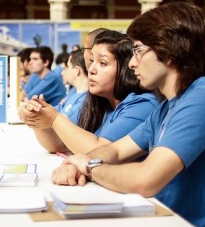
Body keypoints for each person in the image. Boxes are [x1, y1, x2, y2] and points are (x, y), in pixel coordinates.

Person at [51, 2, 205, 227]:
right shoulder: (167, 105)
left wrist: (89, 167)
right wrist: (79, 161)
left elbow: (145, 179)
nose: (131, 63)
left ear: (168, 52)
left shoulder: (202, 98)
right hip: (155, 226)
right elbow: (117, 150)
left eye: (138, 50)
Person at [20, 30, 159, 155]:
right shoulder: (101, 103)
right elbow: (59, 145)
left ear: (125, 69)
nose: (91, 69)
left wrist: (54, 119)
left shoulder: (143, 104)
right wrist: (37, 118)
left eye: (102, 63)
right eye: (92, 61)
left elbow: (100, 152)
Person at [54, 49, 88, 124]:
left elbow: (61, 124)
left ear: (77, 70)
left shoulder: (85, 102)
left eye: (67, 67)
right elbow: (58, 109)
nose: (62, 72)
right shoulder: (73, 91)